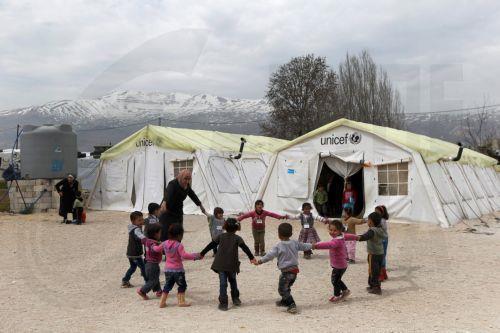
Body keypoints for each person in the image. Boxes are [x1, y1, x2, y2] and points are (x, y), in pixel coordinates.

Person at [200, 218, 257, 311]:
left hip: (222, 265)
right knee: (233, 281)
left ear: (225, 226)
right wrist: (251, 258)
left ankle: (223, 303)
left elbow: (211, 245)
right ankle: (235, 298)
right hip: (231, 265)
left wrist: (202, 253)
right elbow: (245, 248)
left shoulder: (221, 236)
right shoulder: (237, 238)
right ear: (236, 227)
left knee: (223, 284)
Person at [254, 222, 312, 314]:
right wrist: (313, 245)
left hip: (286, 272)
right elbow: (304, 246)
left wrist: (260, 261)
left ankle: (291, 304)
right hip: (294, 272)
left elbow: (269, 256)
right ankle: (285, 301)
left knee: (282, 289)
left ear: (279, 235)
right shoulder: (294, 243)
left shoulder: (278, 246)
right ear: (291, 234)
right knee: (287, 287)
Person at [156, 224, 201, 308]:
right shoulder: (178, 245)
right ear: (180, 235)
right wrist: (195, 256)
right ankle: (181, 301)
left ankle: (162, 302)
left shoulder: (164, 243)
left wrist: (152, 246)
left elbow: (157, 249)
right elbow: (184, 255)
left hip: (167, 270)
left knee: (167, 286)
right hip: (178, 270)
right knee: (182, 285)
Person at [312, 220, 357, 302]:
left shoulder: (336, 241)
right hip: (341, 264)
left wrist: (316, 246)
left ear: (340, 231)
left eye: (335, 230)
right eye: (331, 230)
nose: (332, 232)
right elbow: (349, 236)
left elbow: (328, 245)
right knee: (337, 279)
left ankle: (337, 295)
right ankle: (345, 291)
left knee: (334, 280)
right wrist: (356, 237)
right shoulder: (342, 236)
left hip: (339, 265)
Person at [159, 170, 206, 241]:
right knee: (166, 232)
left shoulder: (187, 186)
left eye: (189, 179)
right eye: (185, 178)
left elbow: (192, 195)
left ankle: (177, 248)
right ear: (180, 177)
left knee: (178, 231)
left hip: (178, 211)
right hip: (167, 211)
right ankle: (165, 250)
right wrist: (164, 202)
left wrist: (200, 205)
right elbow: (168, 193)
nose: (187, 181)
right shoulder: (173, 184)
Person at [354, 212, 388, 295]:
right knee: (376, 270)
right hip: (380, 253)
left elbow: (365, 236)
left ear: (371, 222)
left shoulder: (372, 230)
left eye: (368, 220)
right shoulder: (380, 230)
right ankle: (373, 286)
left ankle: (376, 288)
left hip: (373, 254)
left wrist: (355, 237)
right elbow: (385, 236)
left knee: (373, 270)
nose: (367, 222)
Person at [137, 223, 163, 300]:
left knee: (155, 277)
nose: (160, 235)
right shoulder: (153, 243)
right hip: (153, 265)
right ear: (155, 234)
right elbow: (155, 248)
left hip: (148, 264)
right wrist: (162, 246)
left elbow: (142, 240)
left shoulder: (147, 241)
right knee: (153, 280)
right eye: (160, 233)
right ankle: (142, 291)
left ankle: (158, 290)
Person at [121, 211, 147, 288]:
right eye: (139, 220)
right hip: (135, 254)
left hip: (130, 253)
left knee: (133, 267)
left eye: (142, 219)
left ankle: (125, 280)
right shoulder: (136, 229)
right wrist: (148, 240)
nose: (141, 221)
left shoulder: (132, 227)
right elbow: (141, 236)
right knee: (143, 267)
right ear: (133, 221)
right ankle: (148, 281)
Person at [375, 205, 389, 281]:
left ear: (381, 213)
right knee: (382, 256)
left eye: (377, 212)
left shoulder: (382, 221)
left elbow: (381, 230)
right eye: (375, 211)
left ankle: (381, 275)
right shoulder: (379, 220)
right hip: (382, 239)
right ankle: (384, 274)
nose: (375, 213)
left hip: (383, 240)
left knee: (381, 256)